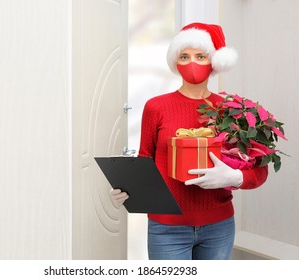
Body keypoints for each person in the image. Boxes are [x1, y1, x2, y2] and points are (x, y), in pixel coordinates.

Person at [110, 22, 268, 260]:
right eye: (184, 56)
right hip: (166, 228)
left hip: (219, 227)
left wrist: (234, 177)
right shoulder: (156, 107)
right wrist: (128, 189)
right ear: (175, 62)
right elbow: (145, 160)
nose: (191, 62)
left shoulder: (232, 110)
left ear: (214, 62)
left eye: (200, 56)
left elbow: (260, 170)